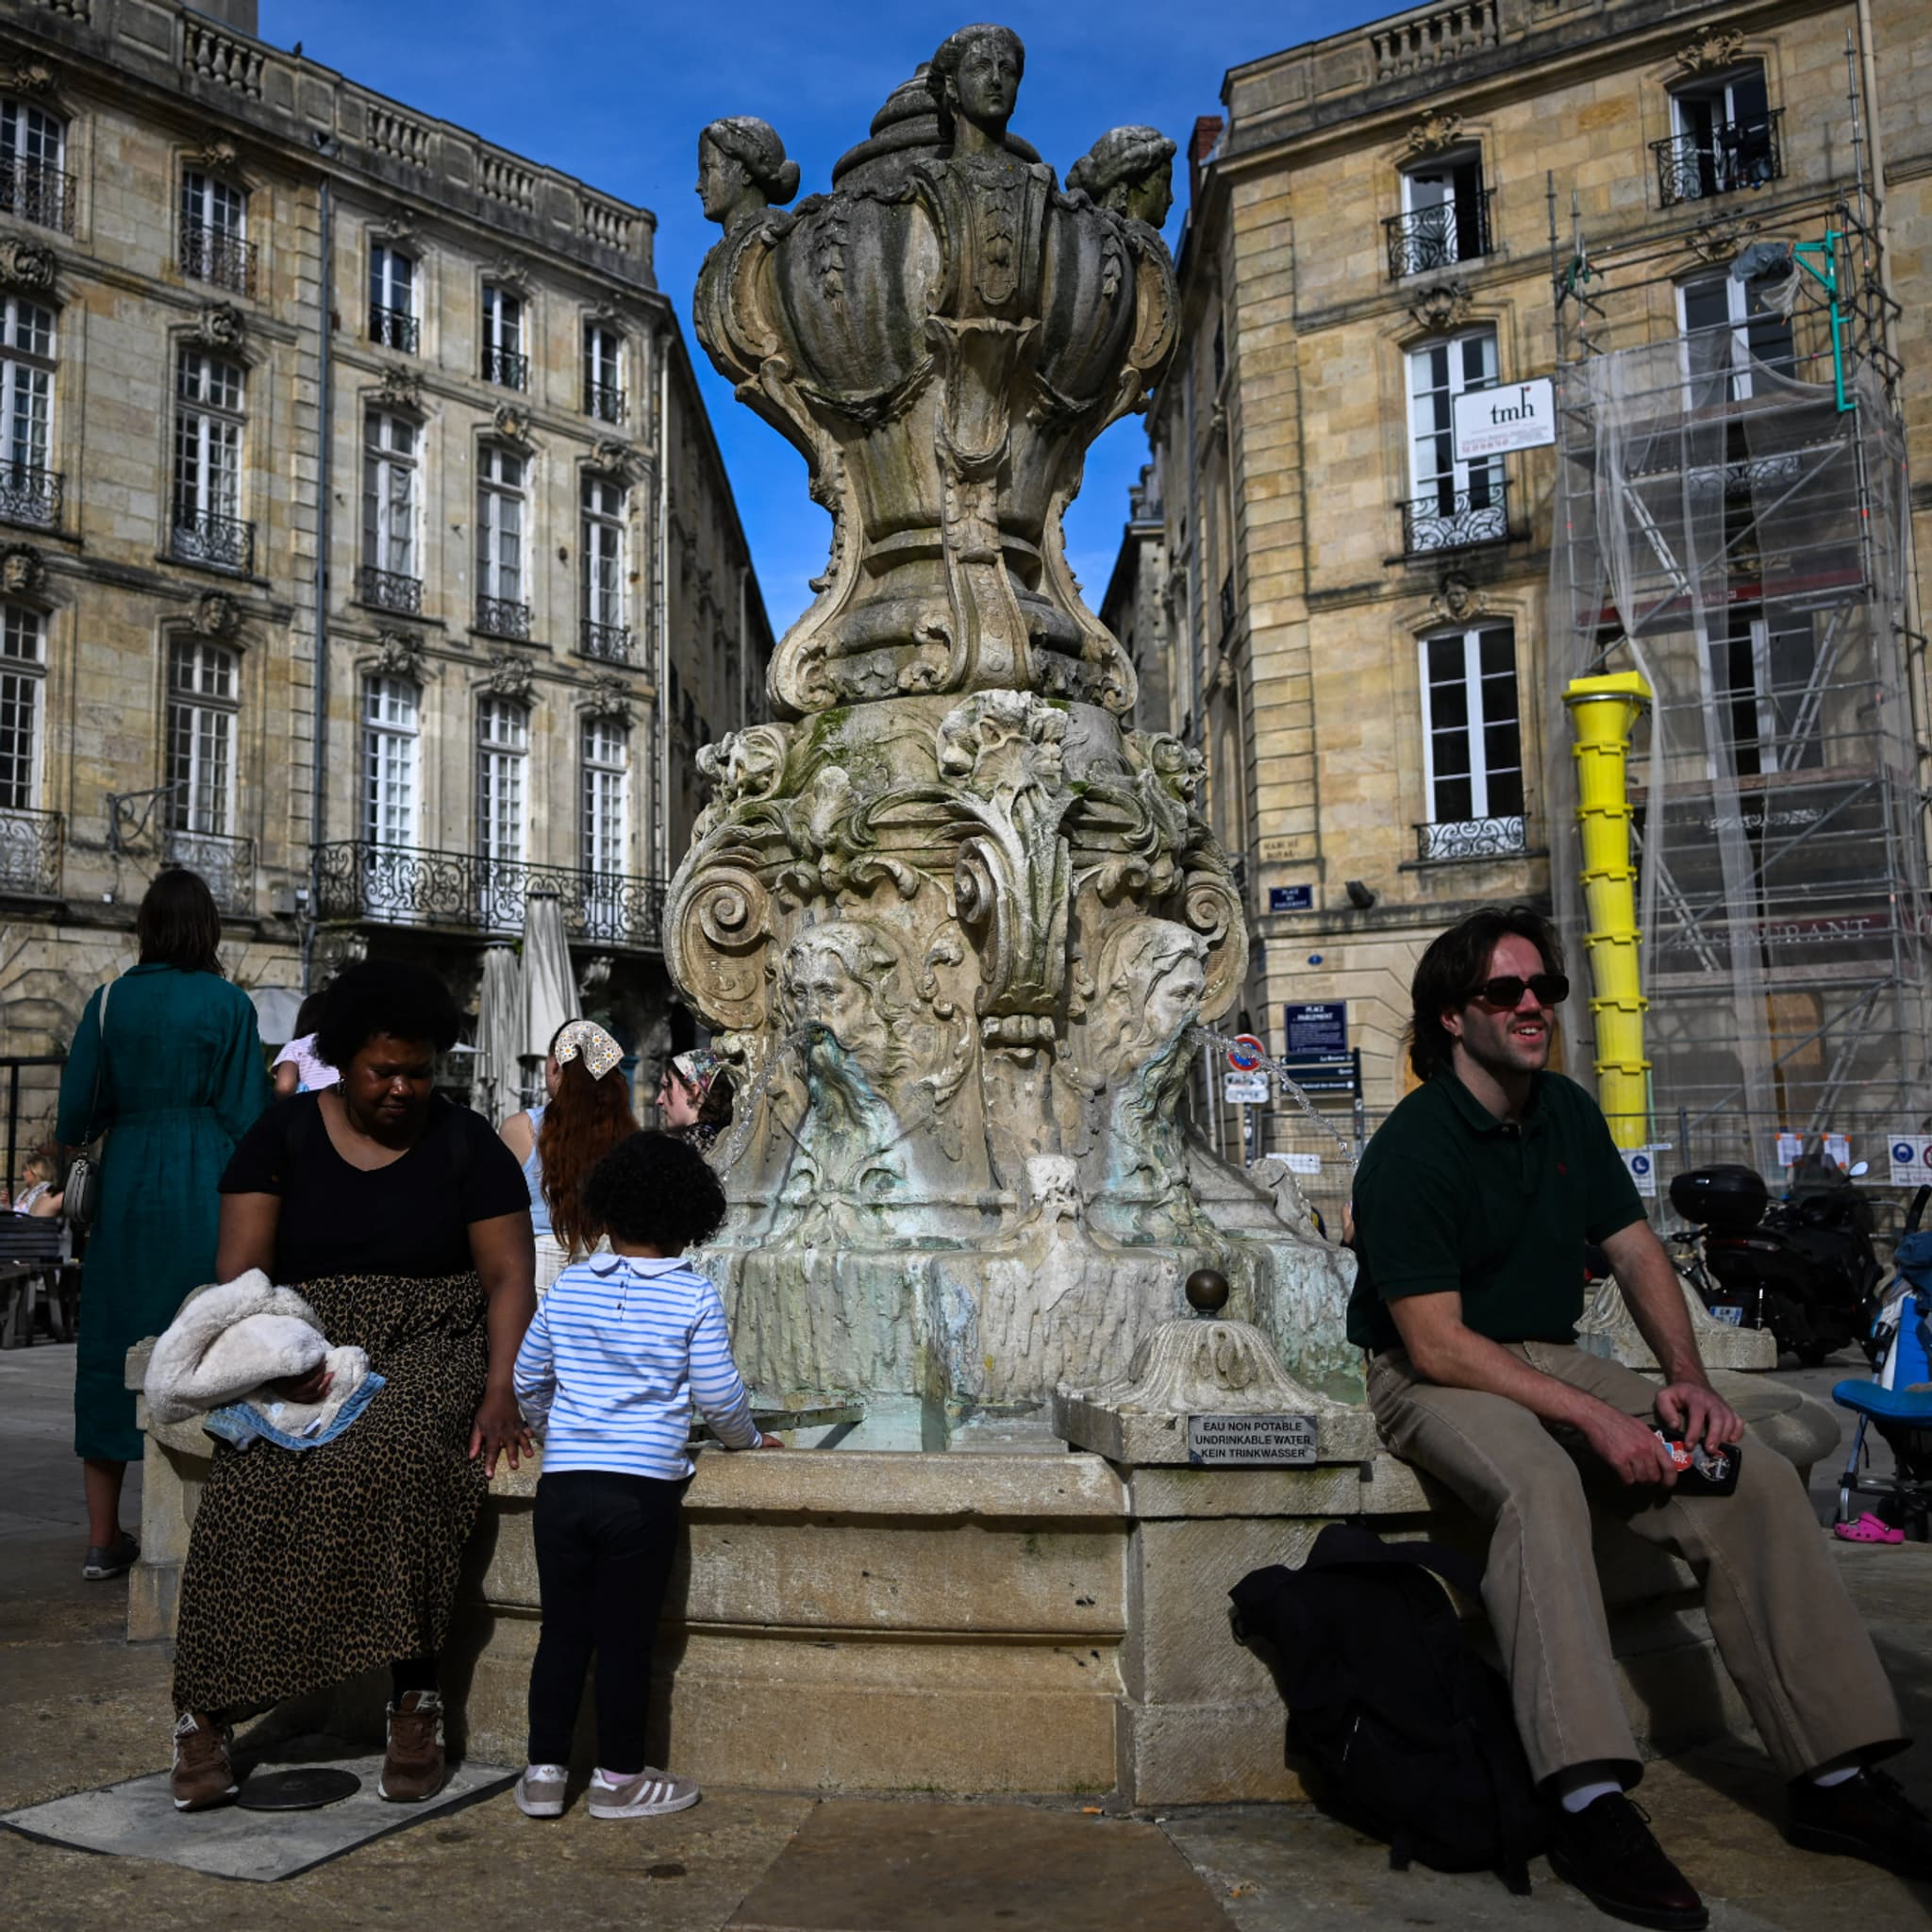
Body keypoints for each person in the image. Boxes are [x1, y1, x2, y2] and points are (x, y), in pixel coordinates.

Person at [1350, 906, 1932, 1927]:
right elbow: (1435, 1343)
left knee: (1743, 1469)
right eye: (1504, 992)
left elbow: (1633, 1249)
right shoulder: (1412, 1147)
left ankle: (1831, 1775)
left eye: (1545, 990)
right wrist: (1594, 1419)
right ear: (1451, 1016)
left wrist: (1684, 1379)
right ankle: (1583, 1796)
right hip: (1427, 1369)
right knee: (1534, 1480)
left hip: (1542, 1350)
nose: (1532, 1006)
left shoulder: (1566, 1111)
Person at [168, 958, 537, 1813]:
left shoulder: (466, 1142)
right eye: (384, 1072)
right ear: (343, 1062)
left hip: (432, 1347)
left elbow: (509, 1276)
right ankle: (205, 1716)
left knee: (404, 1459)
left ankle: (414, 1700)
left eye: (418, 1071)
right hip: (305, 1345)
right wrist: (282, 1359)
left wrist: (499, 1386)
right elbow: (239, 1275)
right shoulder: (285, 1134)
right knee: (249, 1481)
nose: (404, 1088)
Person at [510, 1132, 779, 1821]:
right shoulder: (692, 1297)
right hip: (641, 1494)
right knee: (627, 1640)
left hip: (564, 1486)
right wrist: (747, 1441)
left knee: (563, 1633)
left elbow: (527, 1378)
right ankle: (620, 1779)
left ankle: (543, 1775)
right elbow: (719, 1397)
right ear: (690, 1217)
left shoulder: (570, 1286)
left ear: (607, 1211)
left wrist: (553, 1431)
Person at [55, 869, 270, 1584]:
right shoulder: (230, 1005)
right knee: (209, 1343)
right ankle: (202, 1525)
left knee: (111, 1344)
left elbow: (74, 1116)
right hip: (210, 1185)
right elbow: (249, 1118)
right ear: (208, 929)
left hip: (128, 1192)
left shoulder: (110, 1001)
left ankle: (99, 1537)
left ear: (144, 928)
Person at [499, 1019, 639, 1291]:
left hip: (535, 1269)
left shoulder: (520, 1129)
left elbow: (499, 1213)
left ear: (553, 1066)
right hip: (605, 1266)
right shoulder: (626, 1134)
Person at [655, 1049, 733, 1155]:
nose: (659, 1100)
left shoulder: (685, 1148)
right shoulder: (722, 1138)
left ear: (693, 1091)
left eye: (666, 1087)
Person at [270, 989, 339, 1098]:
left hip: (312, 1108)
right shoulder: (348, 1045)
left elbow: (284, 1087)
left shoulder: (296, 1047)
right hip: (345, 1108)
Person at [12, 1150, 62, 1217]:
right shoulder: (26, 1192)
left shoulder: (46, 1190)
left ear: (37, 1172)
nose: (23, 1174)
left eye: (26, 1170)